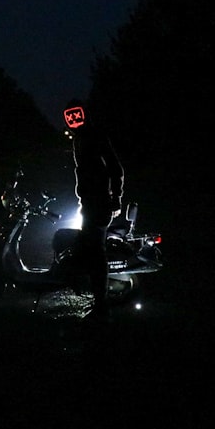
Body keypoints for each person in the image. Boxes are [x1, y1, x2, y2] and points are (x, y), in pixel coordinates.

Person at [62, 99, 124, 322]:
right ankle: (87, 289)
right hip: (88, 203)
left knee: (96, 251)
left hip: (99, 203)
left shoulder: (95, 135)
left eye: (76, 115)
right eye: (69, 116)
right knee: (82, 244)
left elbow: (115, 168)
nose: (73, 119)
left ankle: (101, 304)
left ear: (84, 114)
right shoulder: (78, 139)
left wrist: (116, 197)